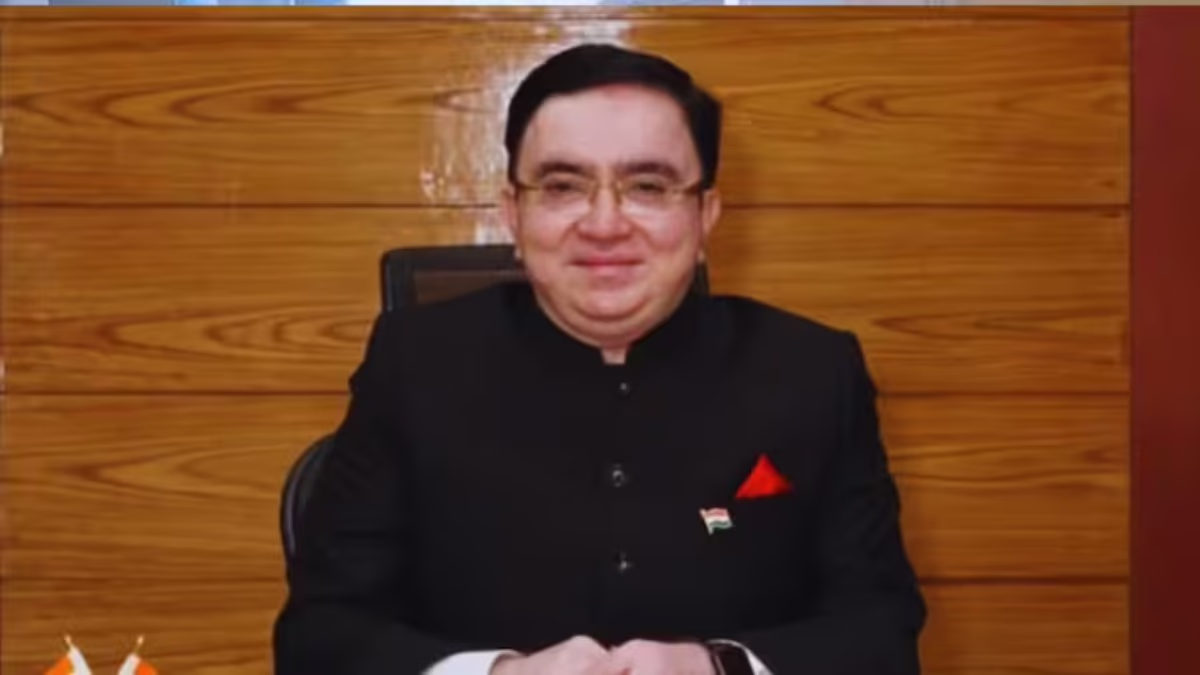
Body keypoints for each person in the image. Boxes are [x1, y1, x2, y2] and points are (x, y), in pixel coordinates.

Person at [274, 43, 925, 675]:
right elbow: (320, 635)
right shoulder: (414, 364)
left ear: (705, 215)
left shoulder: (812, 371)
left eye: (648, 186)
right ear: (513, 214)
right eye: (563, 186)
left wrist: (718, 666)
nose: (605, 224)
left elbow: (880, 632)